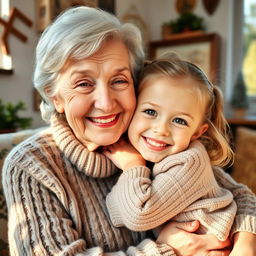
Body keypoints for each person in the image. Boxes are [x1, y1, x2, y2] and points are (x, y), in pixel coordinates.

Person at [2, 6, 256, 256]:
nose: (106, 102)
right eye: (83, 83)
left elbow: (239, 194)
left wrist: (246, 241)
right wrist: (167, 250)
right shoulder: (31, 166)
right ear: (54, 96)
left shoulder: (152, 141)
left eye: (119, 80)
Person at [104, 53, 251, 245]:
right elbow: (118, 214)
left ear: (198, 132)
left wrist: (132, 165)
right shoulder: (164, 157)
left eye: (179, 121)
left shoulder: (190, 160)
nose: (161, 129)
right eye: (150, 112)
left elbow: (136, 215)